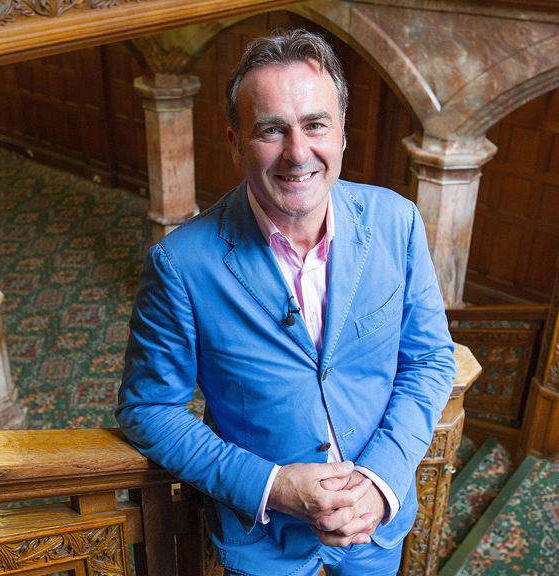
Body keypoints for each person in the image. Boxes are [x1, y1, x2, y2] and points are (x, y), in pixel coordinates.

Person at [116, 29, 456, 576]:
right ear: (235, 144)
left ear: (342, 134)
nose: (298, 153)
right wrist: (271, 486)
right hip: (262, 539)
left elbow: (430, 360)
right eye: (271, 130)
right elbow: (148, 408)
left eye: (316, 125)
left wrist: (381, 480)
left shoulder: (398, 222)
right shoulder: (180, 265)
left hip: (375, 522)